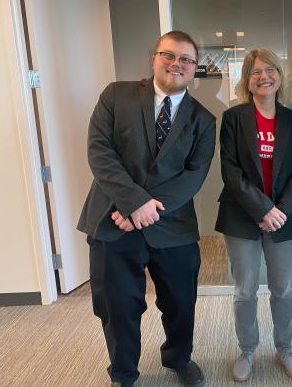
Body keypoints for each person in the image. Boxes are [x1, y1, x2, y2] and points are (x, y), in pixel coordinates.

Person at [77, 30, 216, 387]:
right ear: (154, 58)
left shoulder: (203, 119)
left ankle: (178, 358)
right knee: (118, 305)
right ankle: (123, 373)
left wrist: (144, 208)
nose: (176, 64)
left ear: (194, 69)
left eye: (186, 59)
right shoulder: (116, 95)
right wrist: (132, 202)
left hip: (172, 225)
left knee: (181, 302)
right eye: (169, 55)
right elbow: (99, 151)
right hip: (113, 219)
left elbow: (194, 175)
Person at [215, 48, 292, 382]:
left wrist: (279, 211)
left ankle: (284, 349)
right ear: (247, 81)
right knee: (245, 290)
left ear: (280, 76)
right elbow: (229, 169)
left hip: (283, 218)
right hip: (242, 215)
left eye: (270, 69)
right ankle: (247, 350)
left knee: (283, 289)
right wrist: (263, 209)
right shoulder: (234, 118)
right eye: (255, 72)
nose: (263, 76)